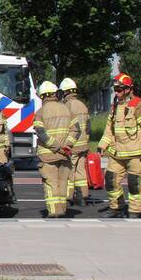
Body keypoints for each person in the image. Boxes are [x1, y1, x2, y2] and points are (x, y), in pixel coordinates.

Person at [97, 73, 141, 218]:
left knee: (134, 183)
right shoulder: (115, 106)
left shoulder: (140, 105)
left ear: (128, 89)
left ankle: (135, 211)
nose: (116, 93)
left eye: (119, 90)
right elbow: (109, 130)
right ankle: (116, 208)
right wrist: (102, 145)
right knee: (110, 180)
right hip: (117, 153)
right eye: (115, 90)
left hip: (136, 154)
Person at [34, 81, 80, 219]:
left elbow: (41, 133)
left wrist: (57, 147)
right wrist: (67, 146)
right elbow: (76, 130)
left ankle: (54, 211)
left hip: (48, 155)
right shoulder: (67, 109)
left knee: (51, 183)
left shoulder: (41, 112)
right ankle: (62, 210)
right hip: (65, 155)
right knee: (62, 183)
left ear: (43, 96)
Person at [59, 77, 91, 206]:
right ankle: (83, 197)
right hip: (83, 144)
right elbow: (88, 126)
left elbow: (66, 127)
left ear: (65, 92)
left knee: (69, 171)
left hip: (73, 145)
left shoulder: (67, 106)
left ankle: (68, 198)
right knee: (81, 171)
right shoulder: (82, 105)